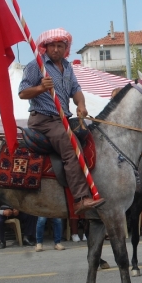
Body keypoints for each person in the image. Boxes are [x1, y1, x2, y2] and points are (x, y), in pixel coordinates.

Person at [18, 28, 105, 214]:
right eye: (52, 46)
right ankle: (80, 198)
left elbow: (76, 89)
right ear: (44, 47)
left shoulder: (67, 66)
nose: (56, 49)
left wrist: (81, 105)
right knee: (72, 149)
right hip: (44, 120)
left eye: (60, 46)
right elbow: (22, 92)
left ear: (66, 48)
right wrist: (41, 88)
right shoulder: (36, 65)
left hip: (64, 118)